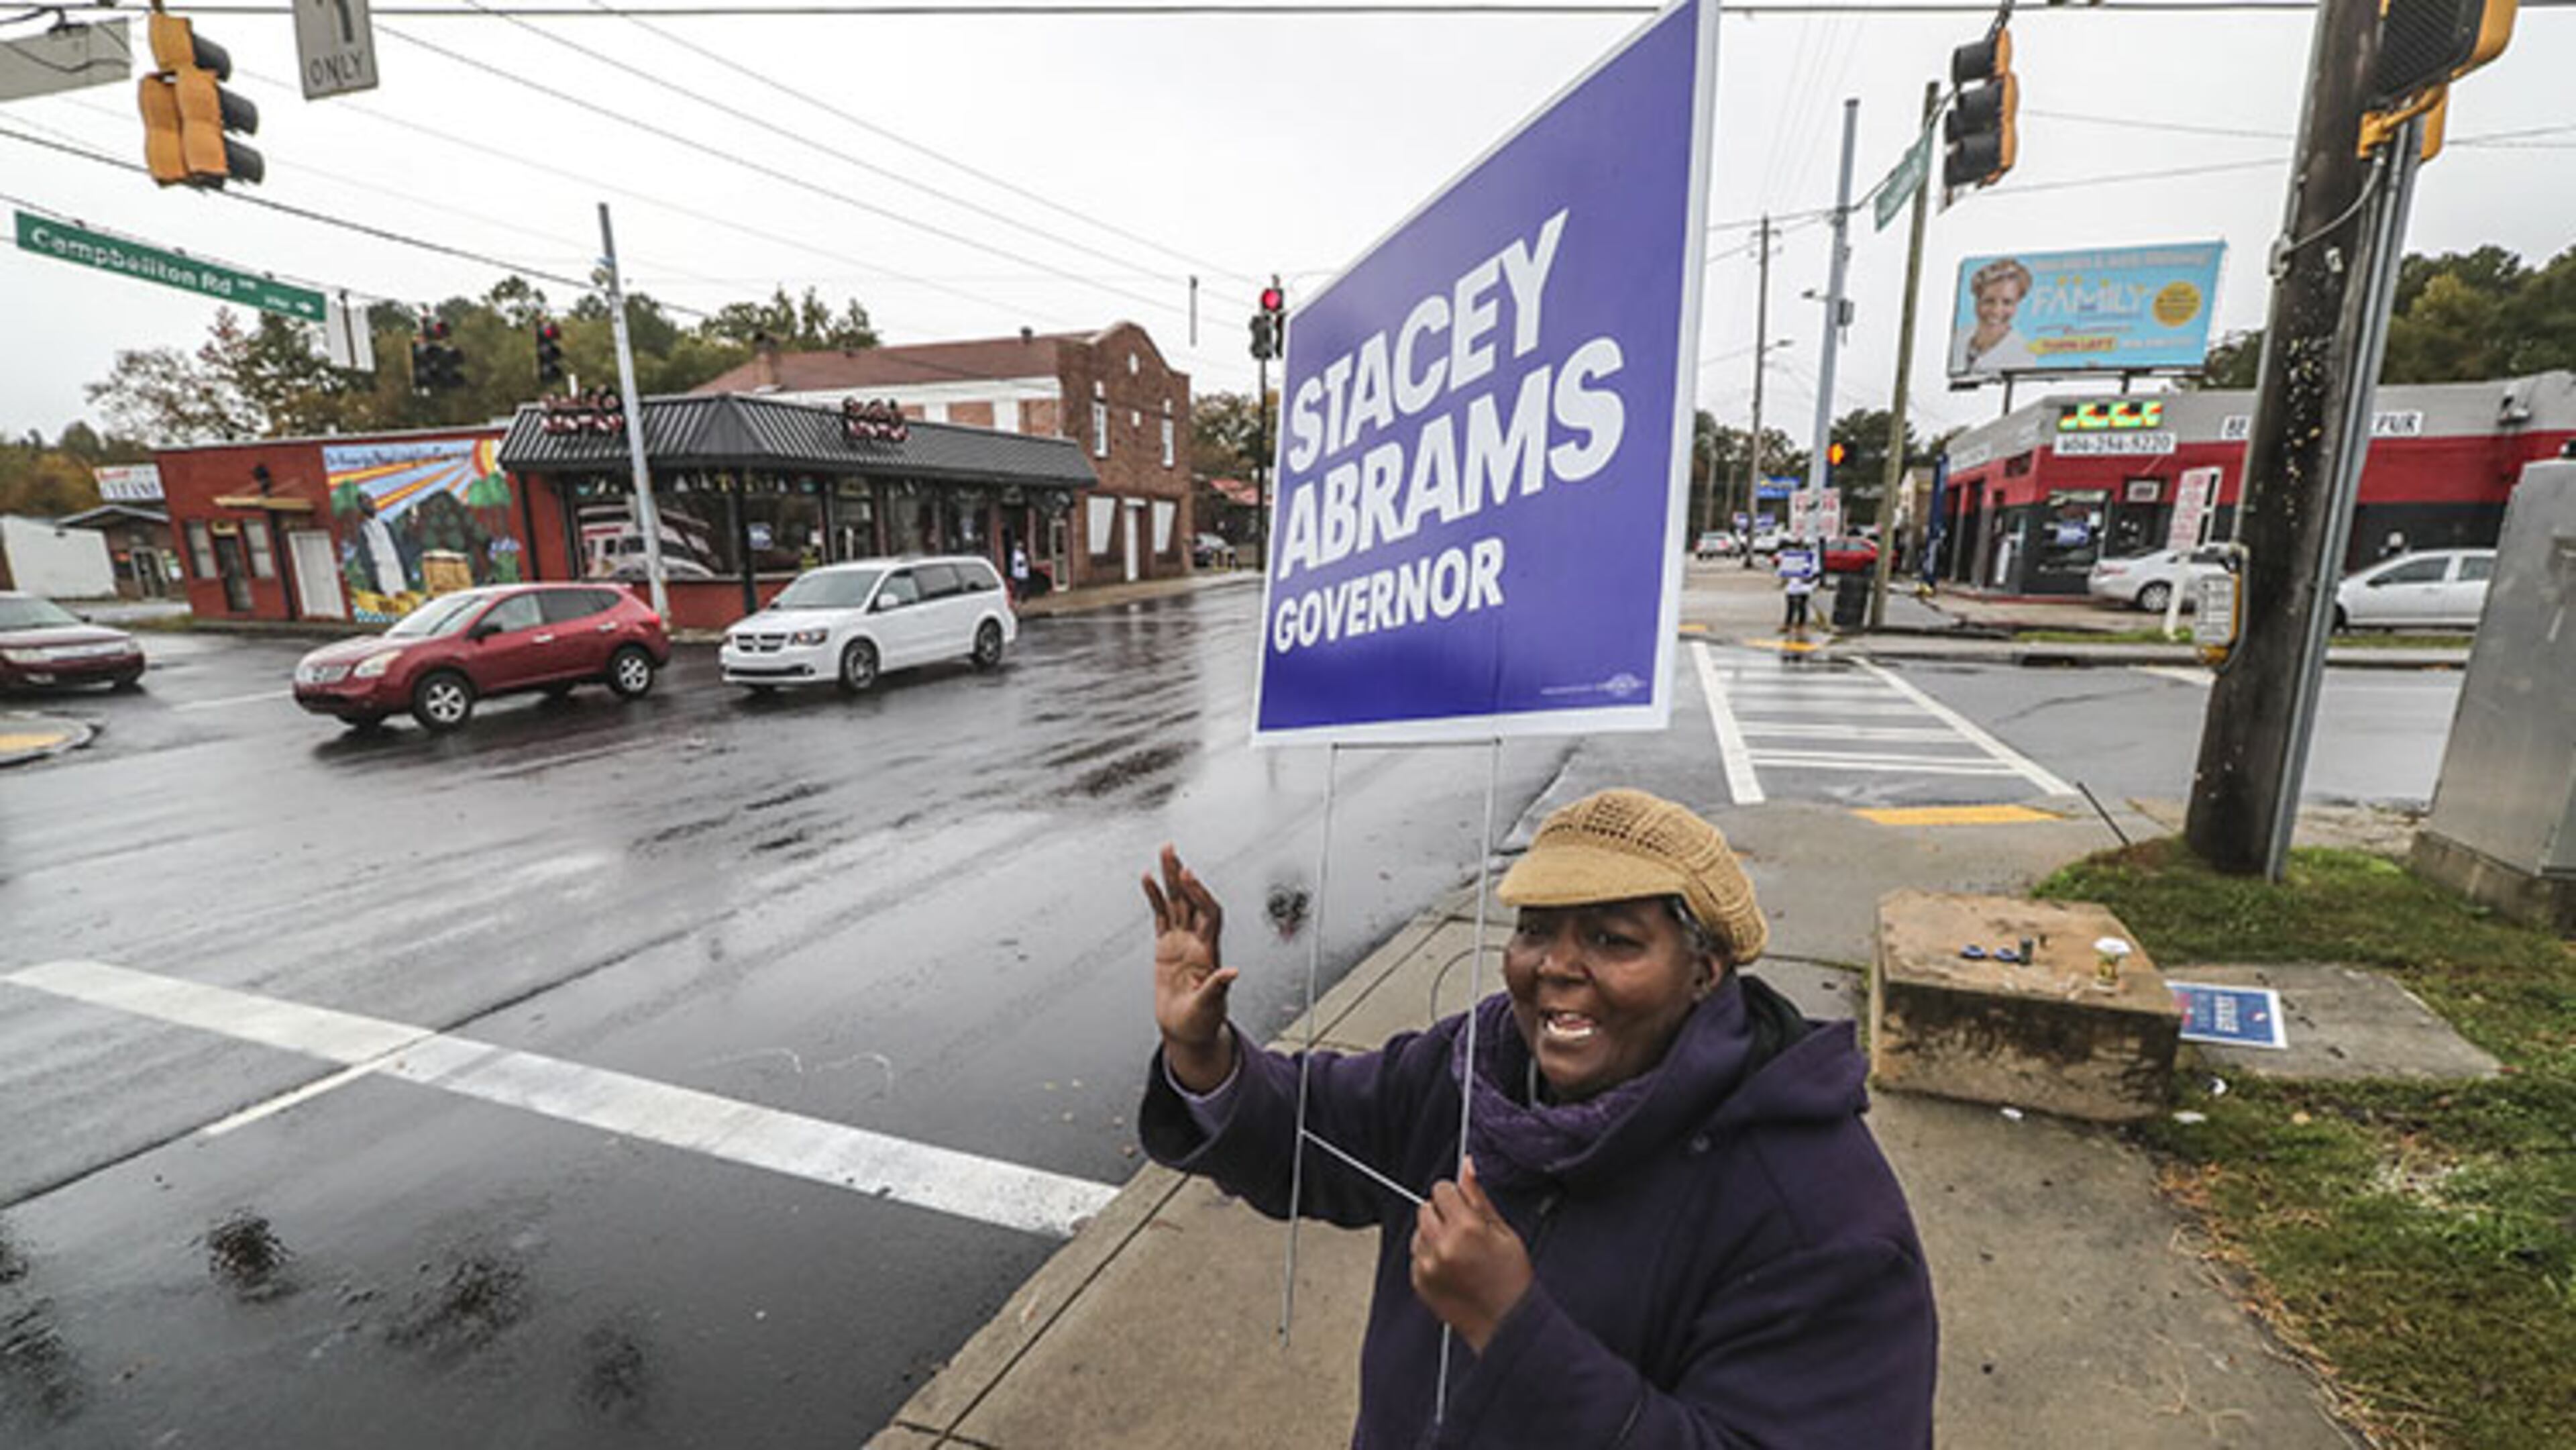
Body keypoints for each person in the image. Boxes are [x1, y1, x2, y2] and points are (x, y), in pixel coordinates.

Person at [1138, 790, 1937, 1447]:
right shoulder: (1472, 1069)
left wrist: (1516, 1330)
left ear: (1704, 970)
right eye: (1534, 929)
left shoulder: (1820, 1213)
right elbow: (1314, 1133)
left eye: (1611, 938)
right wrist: (1205, 1057)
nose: (1555, 966)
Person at [1949, 257, 2036, 375]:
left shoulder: (2023, 354)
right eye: (1989, 301)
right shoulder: (1957, 338)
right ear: (1977, 299)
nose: (1996, 310)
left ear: (2018, 303)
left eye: (2007, 302)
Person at [1777, 541, 1819, 630]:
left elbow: (1816, 572)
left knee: (1802, 605)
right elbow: (1784, 568)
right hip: (1792, 585)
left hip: (1804, 585)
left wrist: (1809, 580)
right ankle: (1788, 624)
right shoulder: (1792, 557)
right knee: (1790, 605)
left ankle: (1801, 624)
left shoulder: (1811, 558)